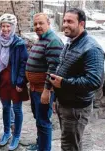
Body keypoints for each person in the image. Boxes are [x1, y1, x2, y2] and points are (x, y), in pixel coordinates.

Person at [50, 8, 104, 151]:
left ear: (81, 24)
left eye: (70, 21)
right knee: (73, 144)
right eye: (64, 21)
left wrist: (63, 83)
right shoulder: (70, 42)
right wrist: (57, 98)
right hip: (65, 103)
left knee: (68, 146)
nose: (65, 24)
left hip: (76, 108)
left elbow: (94, 81)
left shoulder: (92, 48)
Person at [25, 13, 64, 151]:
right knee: (39, 119)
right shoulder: (41, 39)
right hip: (35, 89)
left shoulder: (53, 41)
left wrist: (47, 91)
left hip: (43, 90)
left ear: (49, 23)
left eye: (41, 23)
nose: (38, 26)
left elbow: (54, 69)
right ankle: (40, 144)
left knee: (43, 121)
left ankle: (44, 148)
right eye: (35, 24)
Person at [0, 13, 29, 151]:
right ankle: (7, 132)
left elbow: (23, 64)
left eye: (8, 26)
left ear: (13, 27)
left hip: (15, 82)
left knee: (17, 109)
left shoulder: (19, 43)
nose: (5, 29)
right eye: (3, 26)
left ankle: (16, 135)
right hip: (3, 82)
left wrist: (20, 82)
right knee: (6, 108)